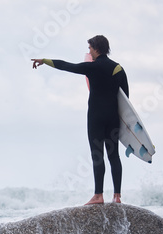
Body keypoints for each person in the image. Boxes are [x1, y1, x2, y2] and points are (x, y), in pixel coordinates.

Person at [31, 35, 129, 205]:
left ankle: (98, 195)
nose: (89, 51)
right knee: (114, 156)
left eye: (90, 48)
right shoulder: (118, 69)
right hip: (113, 118)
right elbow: (126, 98)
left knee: (97, 155)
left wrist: (45, 61)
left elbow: (67, 66)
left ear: (96, 48)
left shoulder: (92, 67)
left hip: (96, 117)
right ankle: (117, 196)